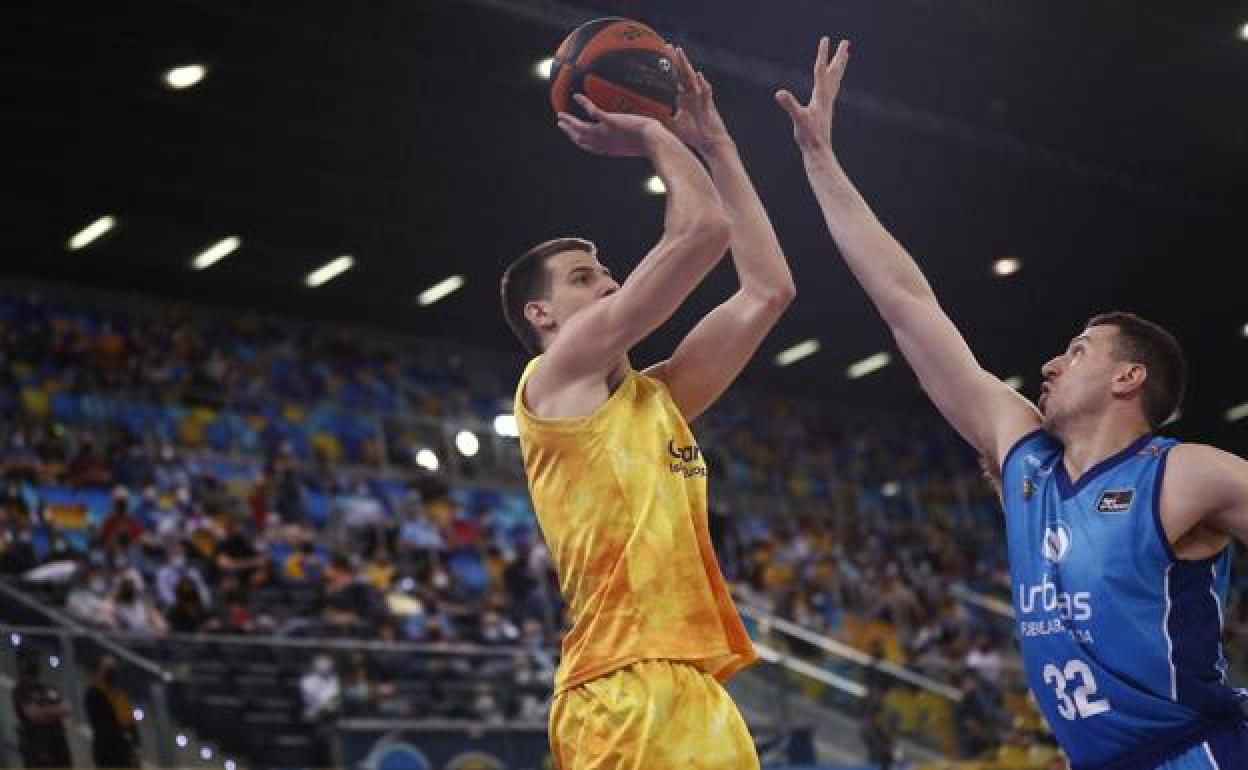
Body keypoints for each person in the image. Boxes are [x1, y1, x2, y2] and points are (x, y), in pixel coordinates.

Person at [776, 37, 1248, 770]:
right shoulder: (1022, 452)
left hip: (1198, 754)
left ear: (1130, 379)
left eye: (1079, 350)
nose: (1052, 363)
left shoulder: (1185, 474)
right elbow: (906, 304)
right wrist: (820, 161)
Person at [502, 44, 795, 769]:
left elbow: (767, 289)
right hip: (618, 688)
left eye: (605, 269)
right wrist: (653, 133)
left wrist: (718, 145)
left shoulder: (656, 398)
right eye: (581, 277)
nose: (605, 281)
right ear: (542, 314)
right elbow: (701, 232)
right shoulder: (554, 378)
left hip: (695, 685)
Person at [12, 655, 72, 768]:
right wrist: (55, 712)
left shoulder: (46, 688)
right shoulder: (20, 690)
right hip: (37, 746)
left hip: (58, 743)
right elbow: (34, 714)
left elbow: (66, 708)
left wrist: (44, 712)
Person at [84, 655, 139, 769]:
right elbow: (104, 725)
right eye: (108, 669)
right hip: (108, 751)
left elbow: (129, 720)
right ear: (99, 671)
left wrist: (134, 745)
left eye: (114, 668)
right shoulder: (94, 694)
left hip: (125, 750)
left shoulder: (118, 692)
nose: (112, 673)